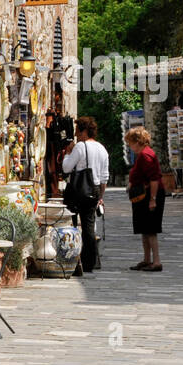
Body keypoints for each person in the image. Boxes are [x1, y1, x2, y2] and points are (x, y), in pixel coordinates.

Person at [61, 115, 108, 273]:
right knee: (89, 227)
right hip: (94, 190)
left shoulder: (80, 147)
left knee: (71, 224)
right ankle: (91, 262)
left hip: (78, 190)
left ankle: (74, 260)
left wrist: (68, 153)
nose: (75, 135)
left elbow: (67, 168)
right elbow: (104, 178)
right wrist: (100, 196)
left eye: (77, 132)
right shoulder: (102, 149)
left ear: (84, 131)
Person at [124, 126, 165, 272]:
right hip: (143, 197)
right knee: (144, 229)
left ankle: (156, 261)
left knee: (151, 229)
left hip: (149, 196)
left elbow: (154, 179)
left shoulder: (146, 155)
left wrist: (152, 199)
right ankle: (147, 259)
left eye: (130, 143)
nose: (130, 146)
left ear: (138, 141)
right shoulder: (142, 155)